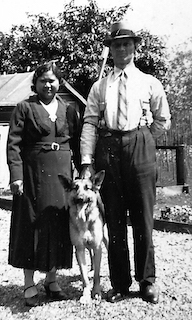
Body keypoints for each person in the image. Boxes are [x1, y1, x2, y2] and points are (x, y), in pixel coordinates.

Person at [80, 21, 171, 304]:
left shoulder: (149, 82)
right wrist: (86, 161)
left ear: (135, 48)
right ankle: (120, 284)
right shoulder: (100, 86)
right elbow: (90, 124)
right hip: (109, 150)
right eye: (117, 45)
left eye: (127, 44)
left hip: (140, 148)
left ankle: (147, 281)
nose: (122, 49)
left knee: (143, 218)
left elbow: (163, 120)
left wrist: (141, 138)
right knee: (115, 220)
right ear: (111, 49)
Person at [7, 61, 81, 307]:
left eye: (52, 80)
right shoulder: (24, 108)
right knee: (31, 224)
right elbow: (14, 145)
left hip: (61, 175)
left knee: (57, 223)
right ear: (35, 84)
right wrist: (16, 176)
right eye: (43, 81)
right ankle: (29, 283)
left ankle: (51, 279)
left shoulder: (68, 109)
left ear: (59, 83)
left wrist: (81, 171)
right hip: (32, 174)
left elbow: (78, 144)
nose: (48, 85)